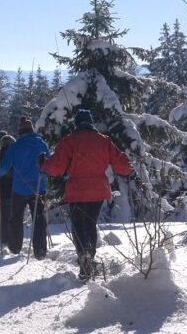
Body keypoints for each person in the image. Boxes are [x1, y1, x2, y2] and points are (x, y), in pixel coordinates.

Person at [39, 108, 132, 279]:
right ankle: (89, 255)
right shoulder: (104, 141)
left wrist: (43, 163)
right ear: (90, 123)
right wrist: (129, 164)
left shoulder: (70, 141)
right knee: (90, 223)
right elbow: (123, 165)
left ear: (76, 123)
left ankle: (84, 257)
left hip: (77, 191)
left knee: (78, 225)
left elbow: (56, 167)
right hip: (98, 191)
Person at [0, 116, 50, 259]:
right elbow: (49, 167)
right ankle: (40, 251)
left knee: (16, 219)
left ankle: (15, 248)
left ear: (20, 132)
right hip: (39, 188)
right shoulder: (41, 144)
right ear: (32, 130)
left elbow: (3, 169)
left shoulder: (15, 147)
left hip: (19, 190)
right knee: (38, 219)